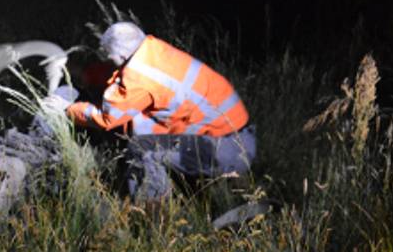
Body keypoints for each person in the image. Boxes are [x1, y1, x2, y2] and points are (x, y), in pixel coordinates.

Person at [50, 21, 256, 202]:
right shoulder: (152, 49)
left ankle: (153, 226)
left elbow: (107, 118)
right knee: (140, 123)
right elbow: (120, 80)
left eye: (107, 54)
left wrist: (68, 110)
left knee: (142, 150)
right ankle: (236, 192)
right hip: (237, 132)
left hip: (229, 149)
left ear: (120, 54)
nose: (106, 59)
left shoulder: (139, 76)